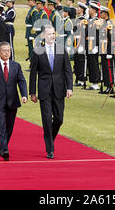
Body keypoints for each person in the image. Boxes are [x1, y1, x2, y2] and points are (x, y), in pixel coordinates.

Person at [29, 25, 73, 159]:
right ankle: (50, 148)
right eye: (49, 34)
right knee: (47, 120)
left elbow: (67, 70)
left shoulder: (61, 49)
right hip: (44, 89)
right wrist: (32, 92)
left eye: (53, 34)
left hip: (59, 89)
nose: (52, 36)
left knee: (59, 119)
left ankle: (50, 138)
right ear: (43, 36)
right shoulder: (38, 51)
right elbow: (33, 73)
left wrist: (69, 88)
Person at [0, 42, 28, 161]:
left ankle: (3, 146)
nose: (7, 53)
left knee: (10, 127)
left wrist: (24, 95)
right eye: (4, 50)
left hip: (12, 101)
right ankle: (5, 149)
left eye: (9, 50)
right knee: (1, 125)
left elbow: (21, 81)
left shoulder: (16, 66)